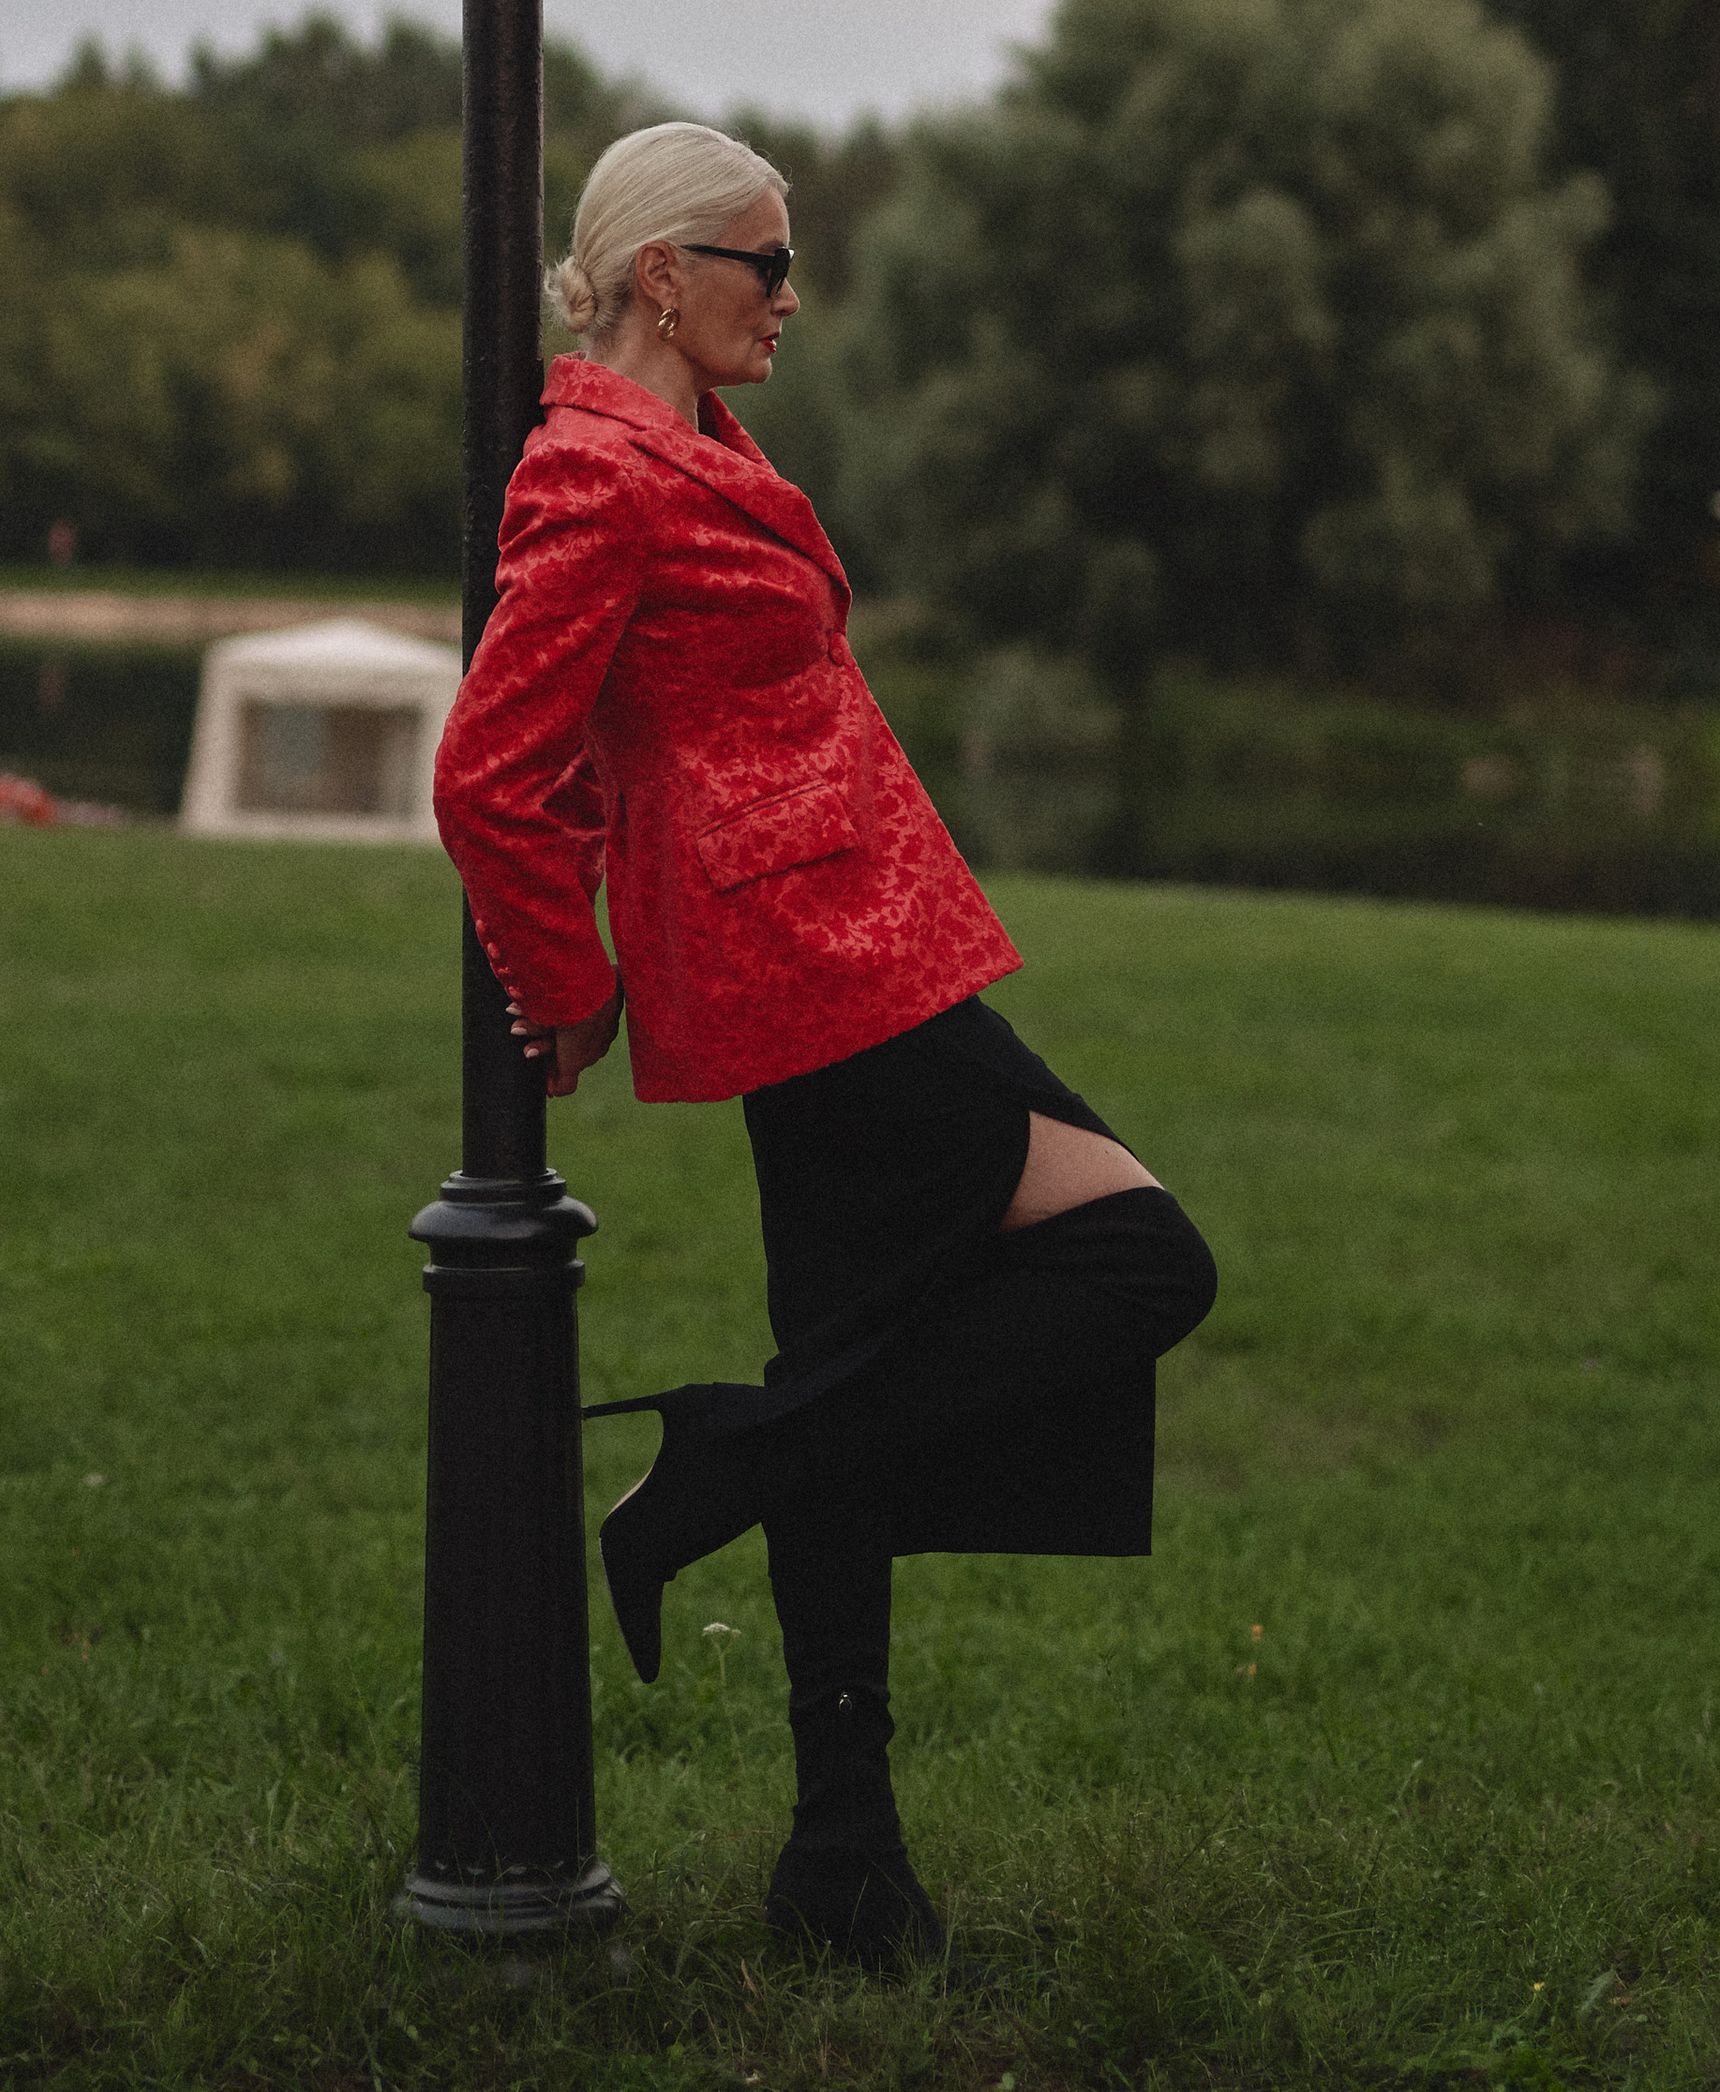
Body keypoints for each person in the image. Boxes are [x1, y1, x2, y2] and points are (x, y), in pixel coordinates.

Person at [433, 121, 1216, 1970]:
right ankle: (739, 1461)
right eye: (766, 263)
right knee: (1140, 1254)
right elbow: (488, 765)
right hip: (813, 965)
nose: (794, 295)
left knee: (857, 1349)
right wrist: (573, 975)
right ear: (661, 276)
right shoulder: (599, 475)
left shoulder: (685, 439)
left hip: (851, 946)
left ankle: (841, 1859)